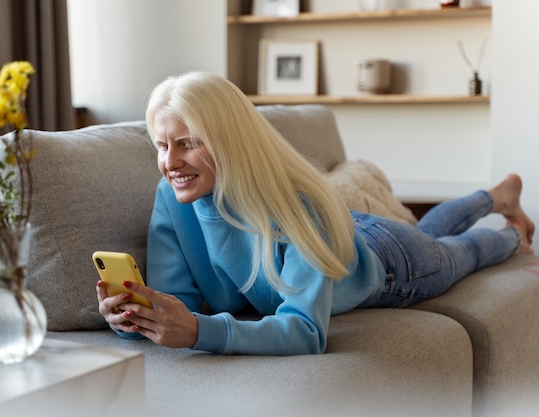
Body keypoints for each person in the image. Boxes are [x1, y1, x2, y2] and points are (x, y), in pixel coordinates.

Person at [97, 71, 535, 356]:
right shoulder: (172, 199)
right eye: (161, 144)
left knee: (456, 254)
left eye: (187, 143)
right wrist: (133, 318)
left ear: (229, 140)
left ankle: (511, 227)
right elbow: (182, 307)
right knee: (429, 232)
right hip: (341, 238)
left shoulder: (298, 204)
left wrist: (201, 332)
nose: (170, 161)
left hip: (388, 262)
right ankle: (495, 195)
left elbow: (306, 332)